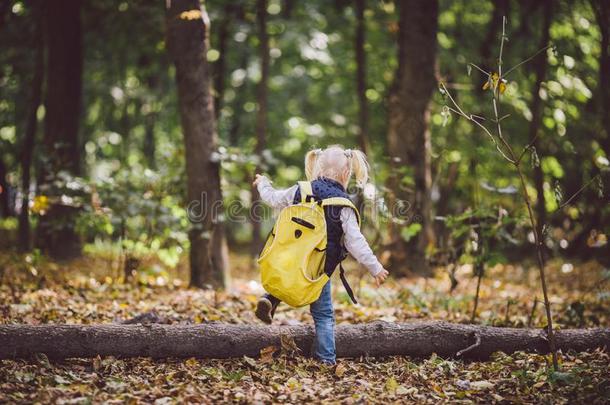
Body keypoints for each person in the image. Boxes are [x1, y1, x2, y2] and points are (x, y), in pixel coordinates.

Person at [252, 145, 389, 365]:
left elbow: (273, 198)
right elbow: (355, 242)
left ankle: (270, 298)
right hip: (319, 268)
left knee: (287, 279)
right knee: (324, 315)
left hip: (290, 257)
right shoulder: (343, 205)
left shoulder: (301, 190)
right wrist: (375, 267)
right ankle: (326, 360)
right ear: (346, 174)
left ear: (317, 167)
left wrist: (263, 183)